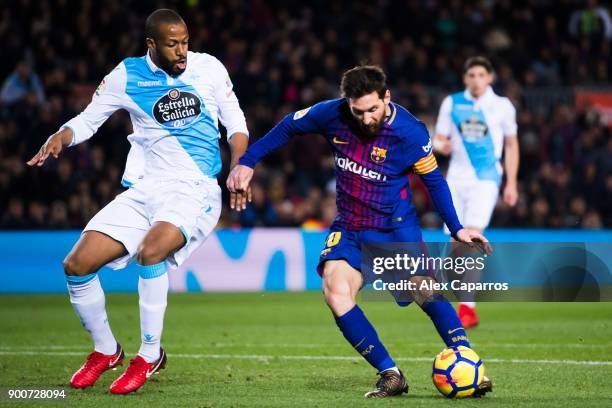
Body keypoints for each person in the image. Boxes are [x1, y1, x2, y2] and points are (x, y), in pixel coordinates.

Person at [227, 65, 492, 398]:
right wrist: (248, 161)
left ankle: (468, 360)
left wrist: (456, 228)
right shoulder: (331, 114)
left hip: (395, 228)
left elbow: (433, 180)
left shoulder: (410, 132)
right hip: (350, 226)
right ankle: (390, 373)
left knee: (423, 290)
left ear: (386, 98)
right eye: (358, 111)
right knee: (335, 291)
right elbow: (288, 127)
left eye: (373, 109)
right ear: (346, 103)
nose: (366, 118)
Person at [26, 9, 249, 394]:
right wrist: (61, 136)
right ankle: (105, 350)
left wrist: (239, 166)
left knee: (151, 251)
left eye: (185, 42)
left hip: (194, 188)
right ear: (151, 44)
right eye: (172, 44)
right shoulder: (126, 75)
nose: (182, 51)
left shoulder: (208, 68)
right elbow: (89, 119)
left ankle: (148, 354)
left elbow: (237, 124)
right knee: (76, 264)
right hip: (145, 189)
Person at [433, 56, 519, 328]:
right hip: (455, 180)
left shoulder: (502, 106)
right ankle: (461, 297)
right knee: (456, 246)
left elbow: (512, 145)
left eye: (481, 75)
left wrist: (512, 183)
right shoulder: (452, 102)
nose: (476, 80)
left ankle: (467, 308)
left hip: (486, 179)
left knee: (471, 237)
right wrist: (440, 145)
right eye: (471, 75)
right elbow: (439, 138)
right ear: (465, 79)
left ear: (490, 78)